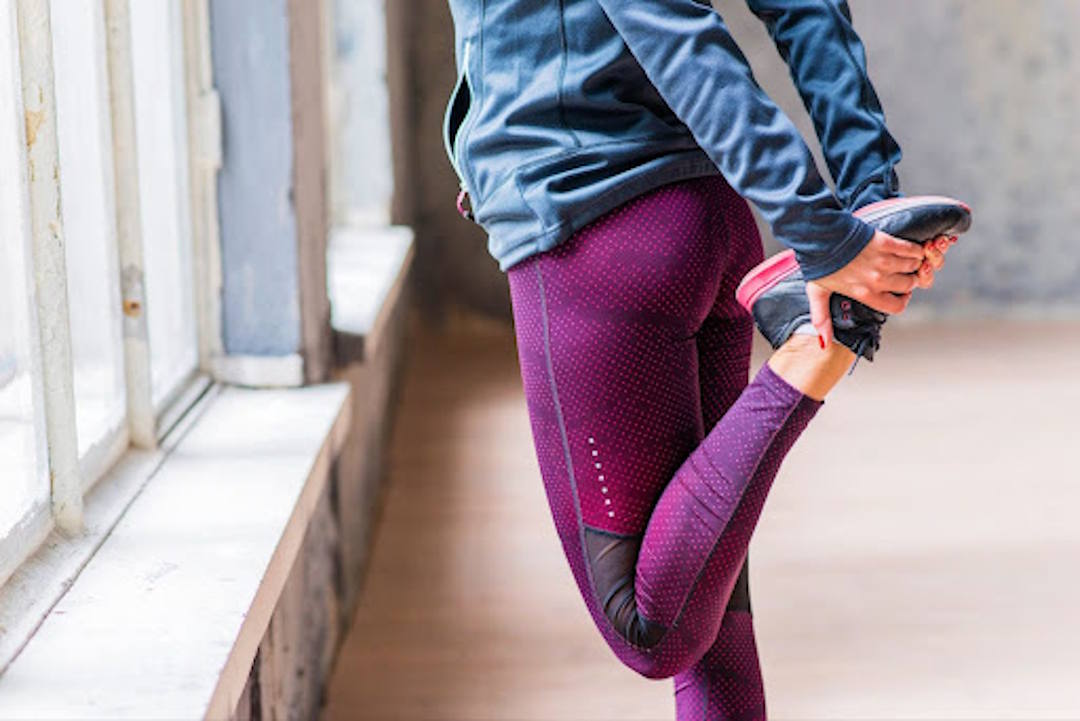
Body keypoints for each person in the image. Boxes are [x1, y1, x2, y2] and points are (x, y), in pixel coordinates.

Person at [442, 1, 970, 718]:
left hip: (591, 227)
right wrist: (869, 200)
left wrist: (827, 239)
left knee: (648, 624)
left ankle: (825, 342)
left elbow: (671, 31)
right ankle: (827, 325)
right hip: (705, 222)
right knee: (711, 617)